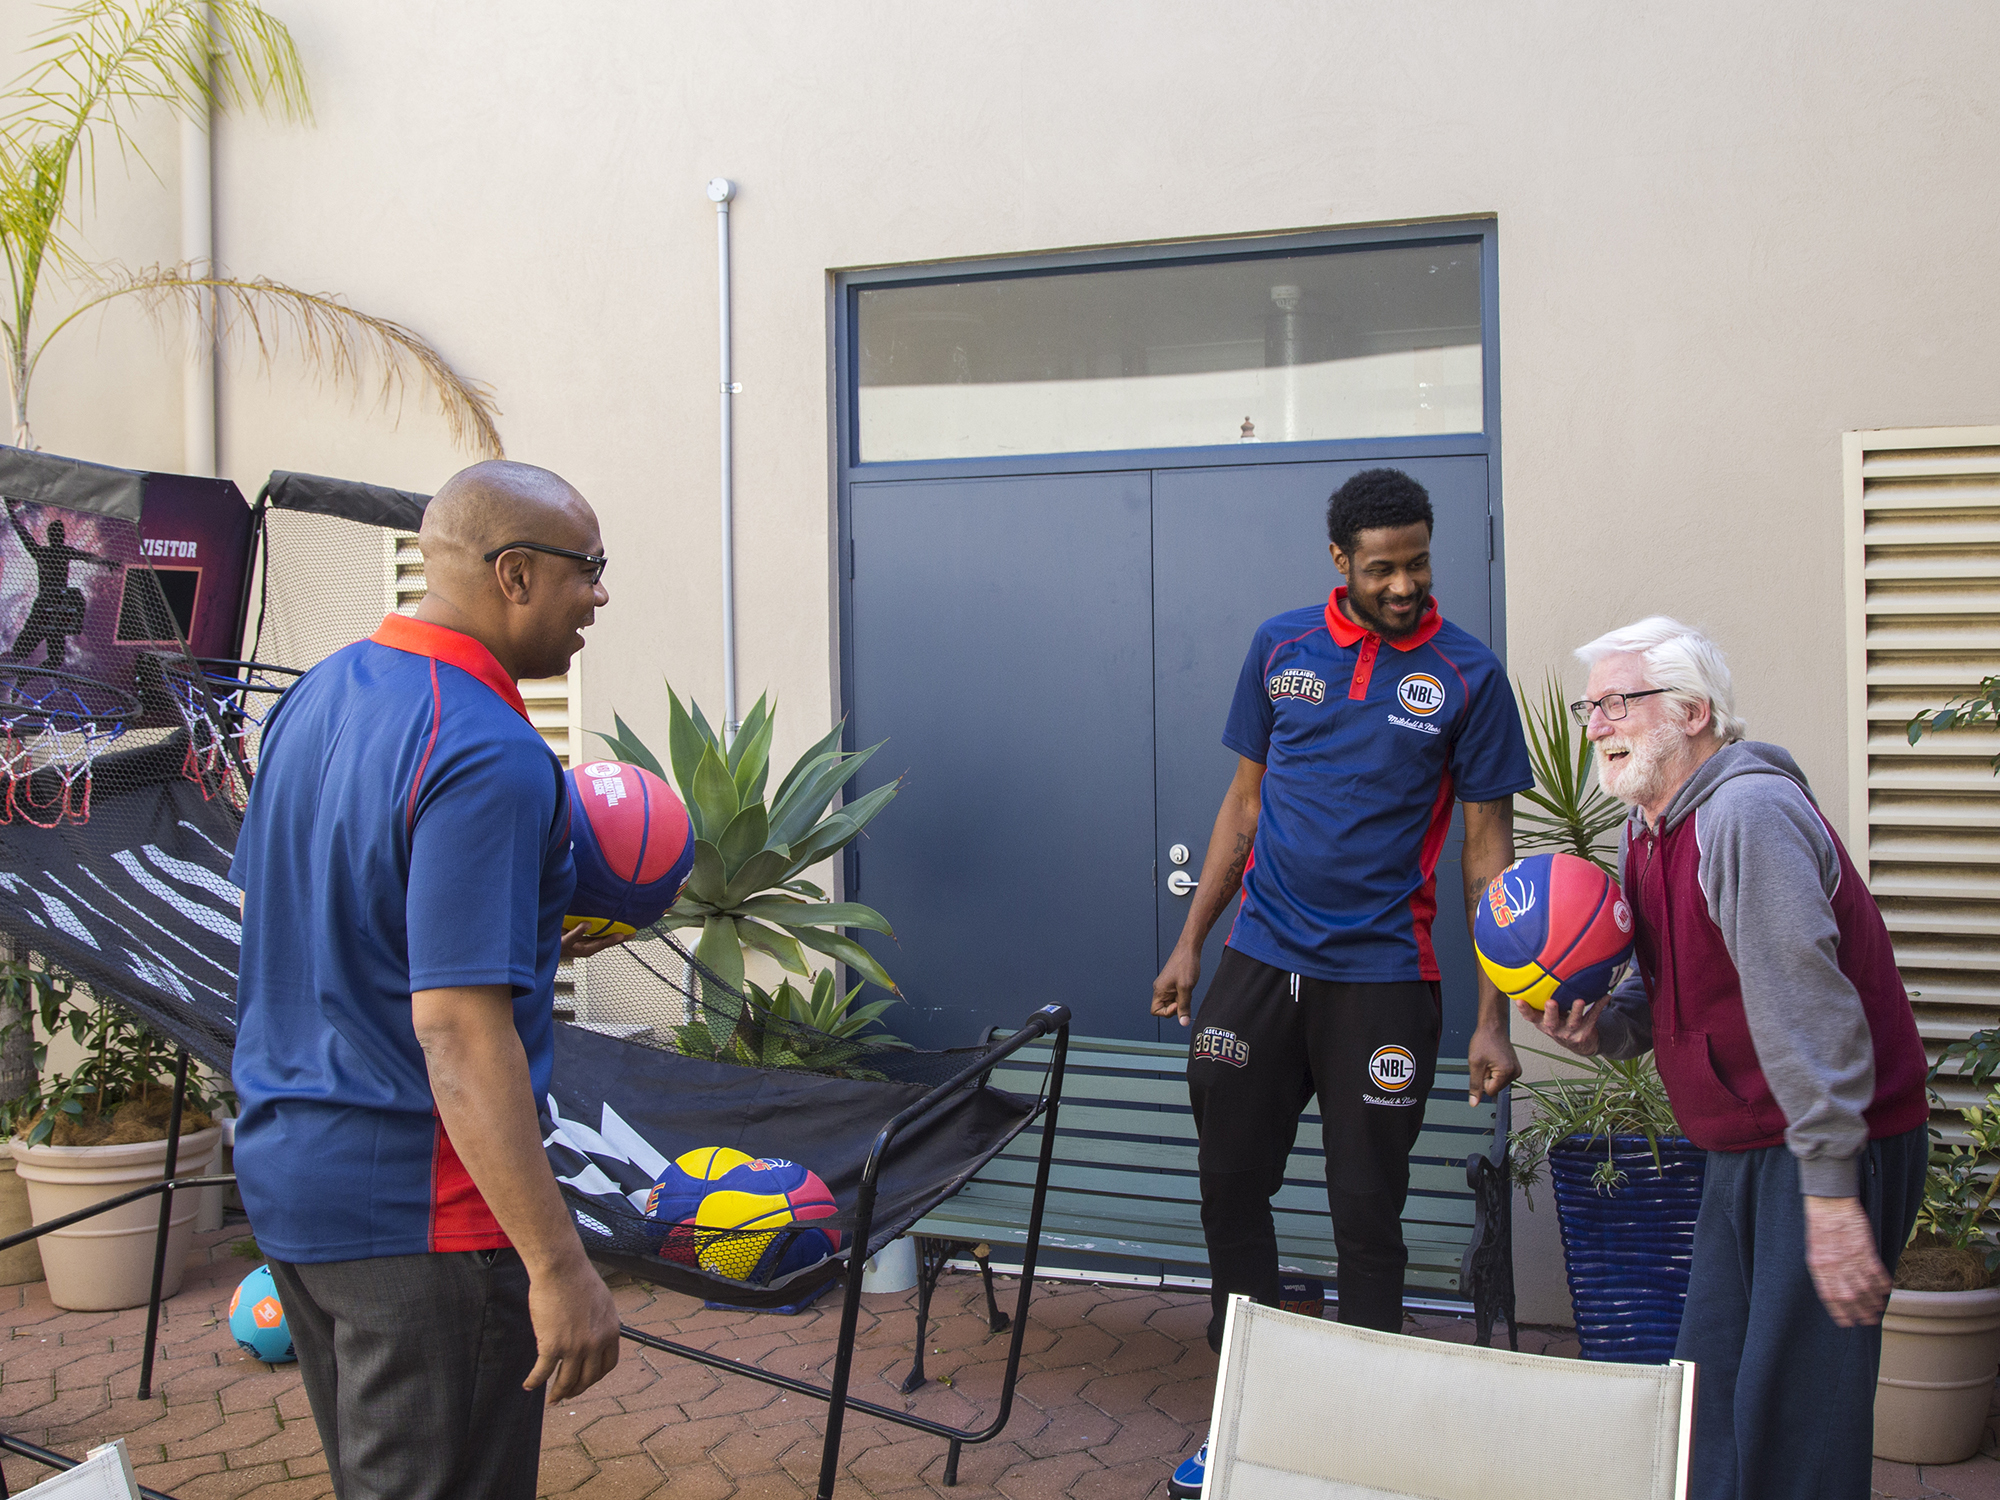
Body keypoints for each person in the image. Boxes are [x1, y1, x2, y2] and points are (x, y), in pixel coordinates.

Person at [230, 460, 628, 1500]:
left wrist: (528, 935)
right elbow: (454, 1026)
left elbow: (324, 915)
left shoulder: (317, 695)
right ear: (515, 574)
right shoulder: (489, 748)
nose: (598, 595)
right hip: (424, 1212)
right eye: (587, 568)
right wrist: (557, 1264)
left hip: (292, 1178)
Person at [1529, 616, 1927, 1500]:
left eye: (1619, 703)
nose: (1596, 725)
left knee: (1797, 1415)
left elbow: (1810, 1013)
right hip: (1748, 1140)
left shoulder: (1747, 815)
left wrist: (1832, 1197)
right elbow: (1668, 990)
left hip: (1828, 1136)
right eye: (1591, 707)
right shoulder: (1646, 829)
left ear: (1694, 712)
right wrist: (1603, 1030)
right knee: (1712, 1396)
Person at [1151, 466, 1532, 1374]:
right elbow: (1243, 807)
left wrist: (1495, 1018)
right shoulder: (1280, 647)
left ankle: (1367, 1388)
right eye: (1381, 569)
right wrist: (1190, 944)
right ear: (1339, 560)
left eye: (1418, 564)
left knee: (1366, 1207)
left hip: (1383, 978)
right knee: (1230, 1181)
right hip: (1260, 959)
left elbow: (1488, 857)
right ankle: (1244, 1371)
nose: (1404, 586)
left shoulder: (1470, 676)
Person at [4, 499, 118, 666]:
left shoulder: (47, 552)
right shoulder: (54, 552)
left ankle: (24, 672)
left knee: (49, 653)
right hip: (51, 603)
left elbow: (87, 557)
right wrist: (108, 563)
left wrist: (108, 563)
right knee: (29, 648)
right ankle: (18, 669)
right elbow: (87, 557)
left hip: (54, 604)